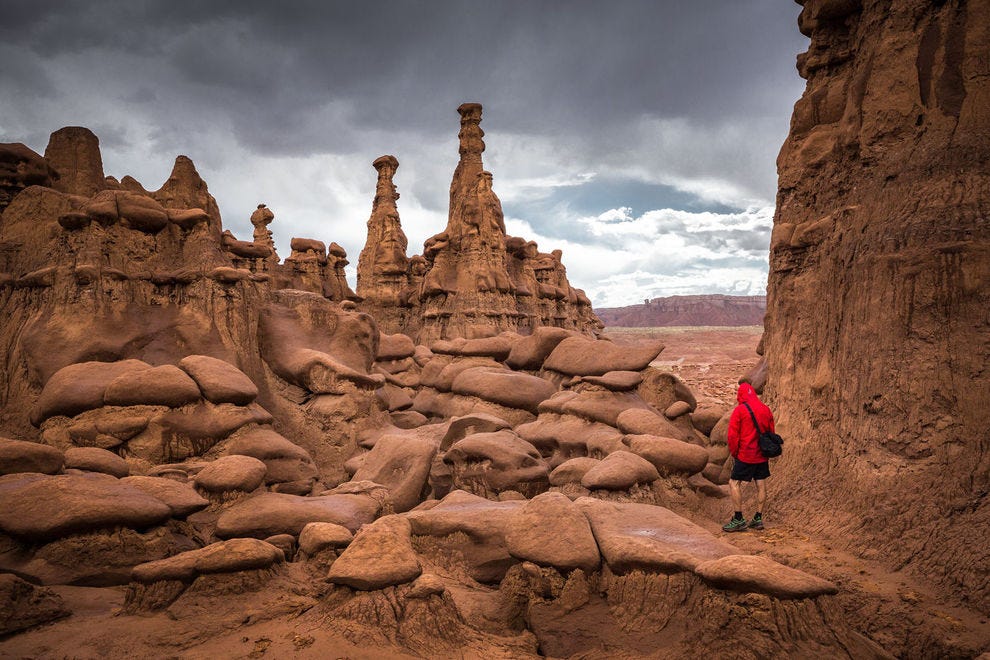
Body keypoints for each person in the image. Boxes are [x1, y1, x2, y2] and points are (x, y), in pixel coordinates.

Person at [722, 381, 775, 532]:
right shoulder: (766, 409)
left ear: (741, 395)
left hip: (746, 454)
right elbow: (771, 432)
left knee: (734, 483)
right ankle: (758, 519)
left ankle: (738, 519)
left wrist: (735, 453)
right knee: (761, 484)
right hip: (762, 455)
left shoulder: (739, 411)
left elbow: (733, 436)